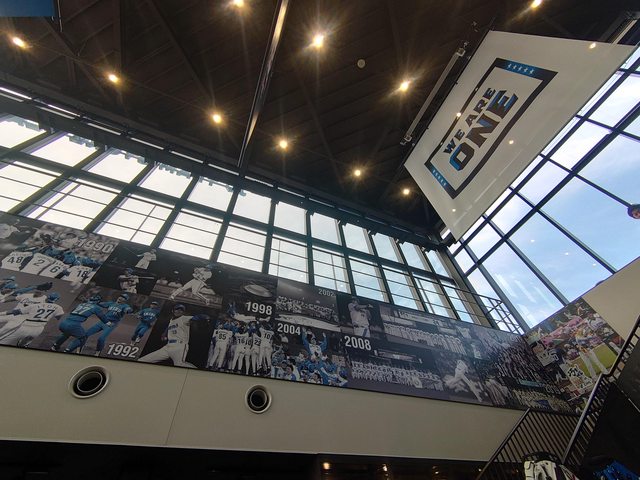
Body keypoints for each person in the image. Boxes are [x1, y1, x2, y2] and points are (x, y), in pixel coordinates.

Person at [138, 304, 208, 368]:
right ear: (173, 311)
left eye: (181, 310)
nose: (179, 311)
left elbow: (196, 317)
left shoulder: (184, 318)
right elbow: (169, 326)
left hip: (179, 346)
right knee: (142, 360)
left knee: (180, 364)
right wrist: (164, 333)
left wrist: (205, 317)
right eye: (177, 309)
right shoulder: (171, 320)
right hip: (167, 347)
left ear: (183, 312)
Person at [65, 293, 134, 356]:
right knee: (85, 334)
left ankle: (97, 353)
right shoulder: (111, 303)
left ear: (125, 300)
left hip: (111, 324)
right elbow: (98, 303)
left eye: (123, 298)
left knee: (101, 339)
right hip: (102, 322)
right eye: (121, 296)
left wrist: (129, 311)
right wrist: (87, 300)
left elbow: (129, 309)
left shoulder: (125, 306)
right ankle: (74, 350)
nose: (121, 298)